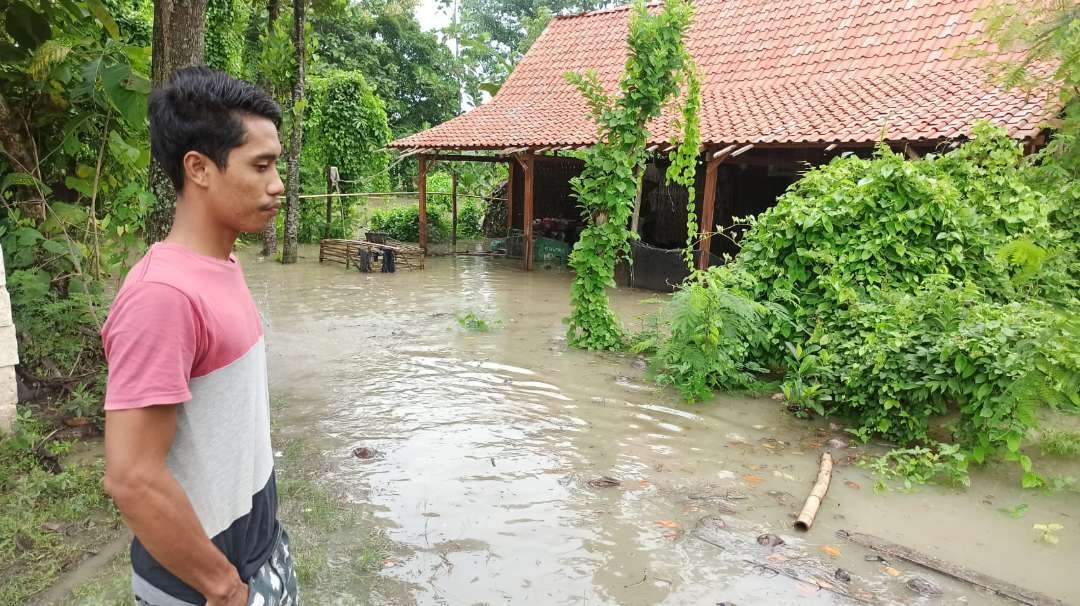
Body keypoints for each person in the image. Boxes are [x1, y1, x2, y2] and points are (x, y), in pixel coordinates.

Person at [101, 66, 296, 606]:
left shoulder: (222, 264)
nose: (276, 184)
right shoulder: (162, 296)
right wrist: (222, 586)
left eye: (275, 165)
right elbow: (132, 477)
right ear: (199, 168)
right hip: (203, 588)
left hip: (258, 553)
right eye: (261, 166)